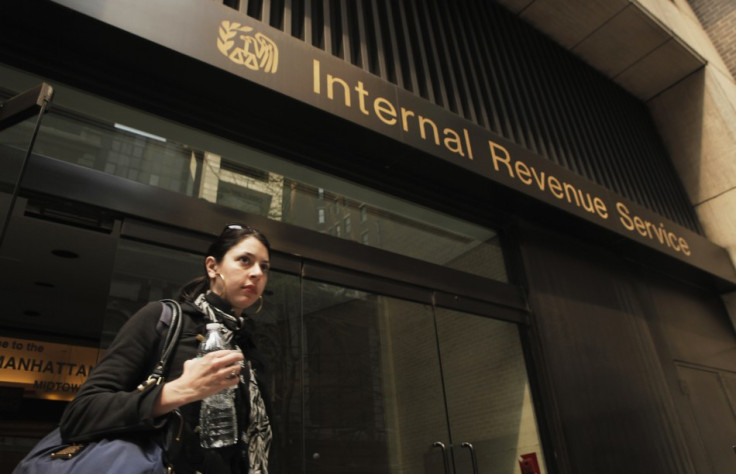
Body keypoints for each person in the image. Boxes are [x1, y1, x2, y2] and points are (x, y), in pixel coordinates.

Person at [59, 224, 274, 474]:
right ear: (213, 267)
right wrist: (178, 391)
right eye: (245, 260)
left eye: (264, 266)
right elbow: (80, 414)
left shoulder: (249, 346)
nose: (257, 272)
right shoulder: (163, 319)